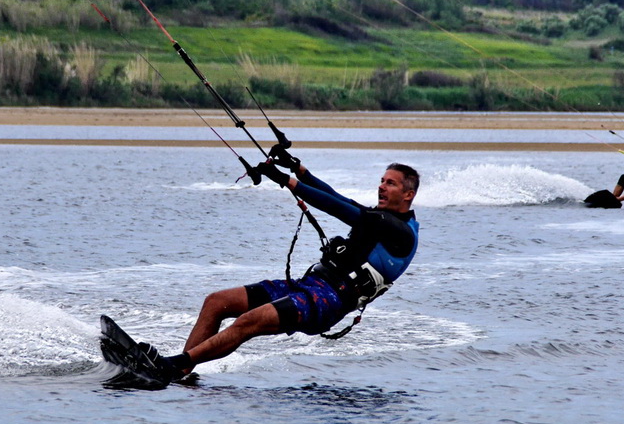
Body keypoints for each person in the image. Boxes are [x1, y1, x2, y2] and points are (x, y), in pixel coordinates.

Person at [147, 157, 420, 382]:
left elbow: (338, 208)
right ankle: (179, 372)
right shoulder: (379, 218)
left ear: (408, 194)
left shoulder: (401, 232)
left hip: (328, 301)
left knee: (248, 322)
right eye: (382, 181)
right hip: (308, 285)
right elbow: (337, 197)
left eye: (391, 184)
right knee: (217, 302)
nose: (382, 187)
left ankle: (172, 365)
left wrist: (287, 181)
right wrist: (300, 169)